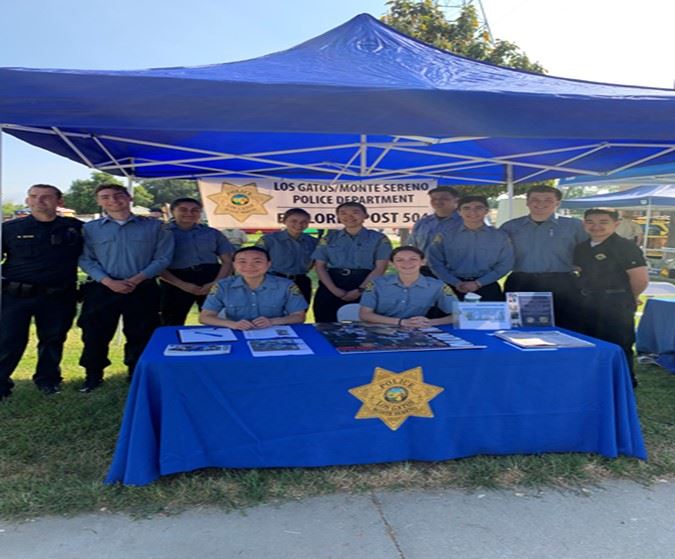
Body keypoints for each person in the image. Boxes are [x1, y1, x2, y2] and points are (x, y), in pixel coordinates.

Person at [78, 184, 174, 392]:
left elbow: (163, 258)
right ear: (99, 201)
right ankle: (93, 376)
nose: (112, 200)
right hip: (102, 287)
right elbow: (86, 259)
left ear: (129, 198)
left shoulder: (155, 227)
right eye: (105, 197)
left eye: (118, 195)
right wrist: (108, 281)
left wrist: (136, 280)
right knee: (95, 333)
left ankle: (135, 373)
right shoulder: (90, 229)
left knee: (141, 332)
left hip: (142, 287)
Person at [0, 184, 83, 400]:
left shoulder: (76, 228)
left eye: (46, 197)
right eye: (34, 196)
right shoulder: (10, 229)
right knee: (8, 340)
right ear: (27, 200)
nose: (39, 201)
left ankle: (48, 381)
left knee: (53, 340)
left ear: (59, 202)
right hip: (15, 296)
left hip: (58, 296)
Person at [573, 208, 648, 387]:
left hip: (616, 303)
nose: (596, 226)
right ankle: (595, 380)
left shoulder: (625, 247)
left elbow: (640, 279)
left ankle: (624, 382)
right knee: (590, 341)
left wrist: (630, 297)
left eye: (603, 222)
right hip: (588, 302)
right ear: (584, 224)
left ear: (616, 224)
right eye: (590, 222)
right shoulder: (581, 247)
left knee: (618, 343)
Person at [500, 185, 587, 330]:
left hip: (562, 282)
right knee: (518, 327)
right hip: (522, 282)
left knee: (565, 326)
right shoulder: (510, 227)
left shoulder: (574, 225)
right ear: (527, 202)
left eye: (548, 200)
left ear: (557, 203)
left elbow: (587, 251)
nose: (541, 203)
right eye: (535, 199)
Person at [311, 202, 392, 323]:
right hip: (331, 284)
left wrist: (360, 290)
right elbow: (319, 266)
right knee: (325, 325)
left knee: (364, 327)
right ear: (338, 217)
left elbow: (380, 268)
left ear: (365, 216)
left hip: (365, 284)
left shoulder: (378, 238)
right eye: (343, 213)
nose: (349, 217)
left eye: (355, 212)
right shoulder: (329, 238)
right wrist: (334, 290)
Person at [159, 198, 234, 325]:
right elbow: (155, 264)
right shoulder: (161, 233)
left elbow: (228, 261)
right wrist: (182, 285)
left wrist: (215, 284)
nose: (189, 213)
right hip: (175, 279)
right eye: (183, 210)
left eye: (195, 210)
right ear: (172, 211)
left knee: (217, 320)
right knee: (171, 321)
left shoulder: (212, 233)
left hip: (211, 276)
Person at [428, 195, 514, 301]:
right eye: (466, 208)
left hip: (487, 286)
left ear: (486, 211)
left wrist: (478, 283)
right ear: (459, 212)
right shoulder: (445, 236)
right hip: (452, 287)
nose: (473, 212)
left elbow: (506, 263)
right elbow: (435, 262)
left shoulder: (500, 236)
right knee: (449, 312)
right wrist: (455, 282)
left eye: (478, 208)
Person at [199, 246, 307, 330]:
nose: (249, 266)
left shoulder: (286, 285)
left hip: (274, 332)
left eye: (257, 261)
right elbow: (205, 317)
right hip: (236, 333)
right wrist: (232, 324)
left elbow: (299, 316)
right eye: (242, 261)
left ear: (268, 264)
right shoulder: (223, 286)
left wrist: (273, 321)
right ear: (234, 265)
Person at [359, 246, 457, 327]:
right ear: (392, 264)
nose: (407, 263)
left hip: (417, 333)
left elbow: (459, 315)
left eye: (413, 259)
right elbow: (365, 314)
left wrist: (430, 322)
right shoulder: (377, 284)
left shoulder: (437, 286)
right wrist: (401, 322)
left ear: (423, 262)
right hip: (380, 331)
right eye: (400, 260)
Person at [256, 208, 318, 304]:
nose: (299, 224)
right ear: (284, 221)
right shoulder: (269, 240)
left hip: (300, 281)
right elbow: (256, 260)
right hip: (274, 280)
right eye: (294, 221)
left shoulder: (313, 242)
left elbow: (316, 262)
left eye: (304, 222)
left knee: (300, 311)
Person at [407, 186, 461, 276]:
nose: (437, 201)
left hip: (453, 272)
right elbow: (413, 246)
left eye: (444, 198)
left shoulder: (466, 222)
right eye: (434, 199)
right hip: (423, 271)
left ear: (456, 201)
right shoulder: (423, 223)